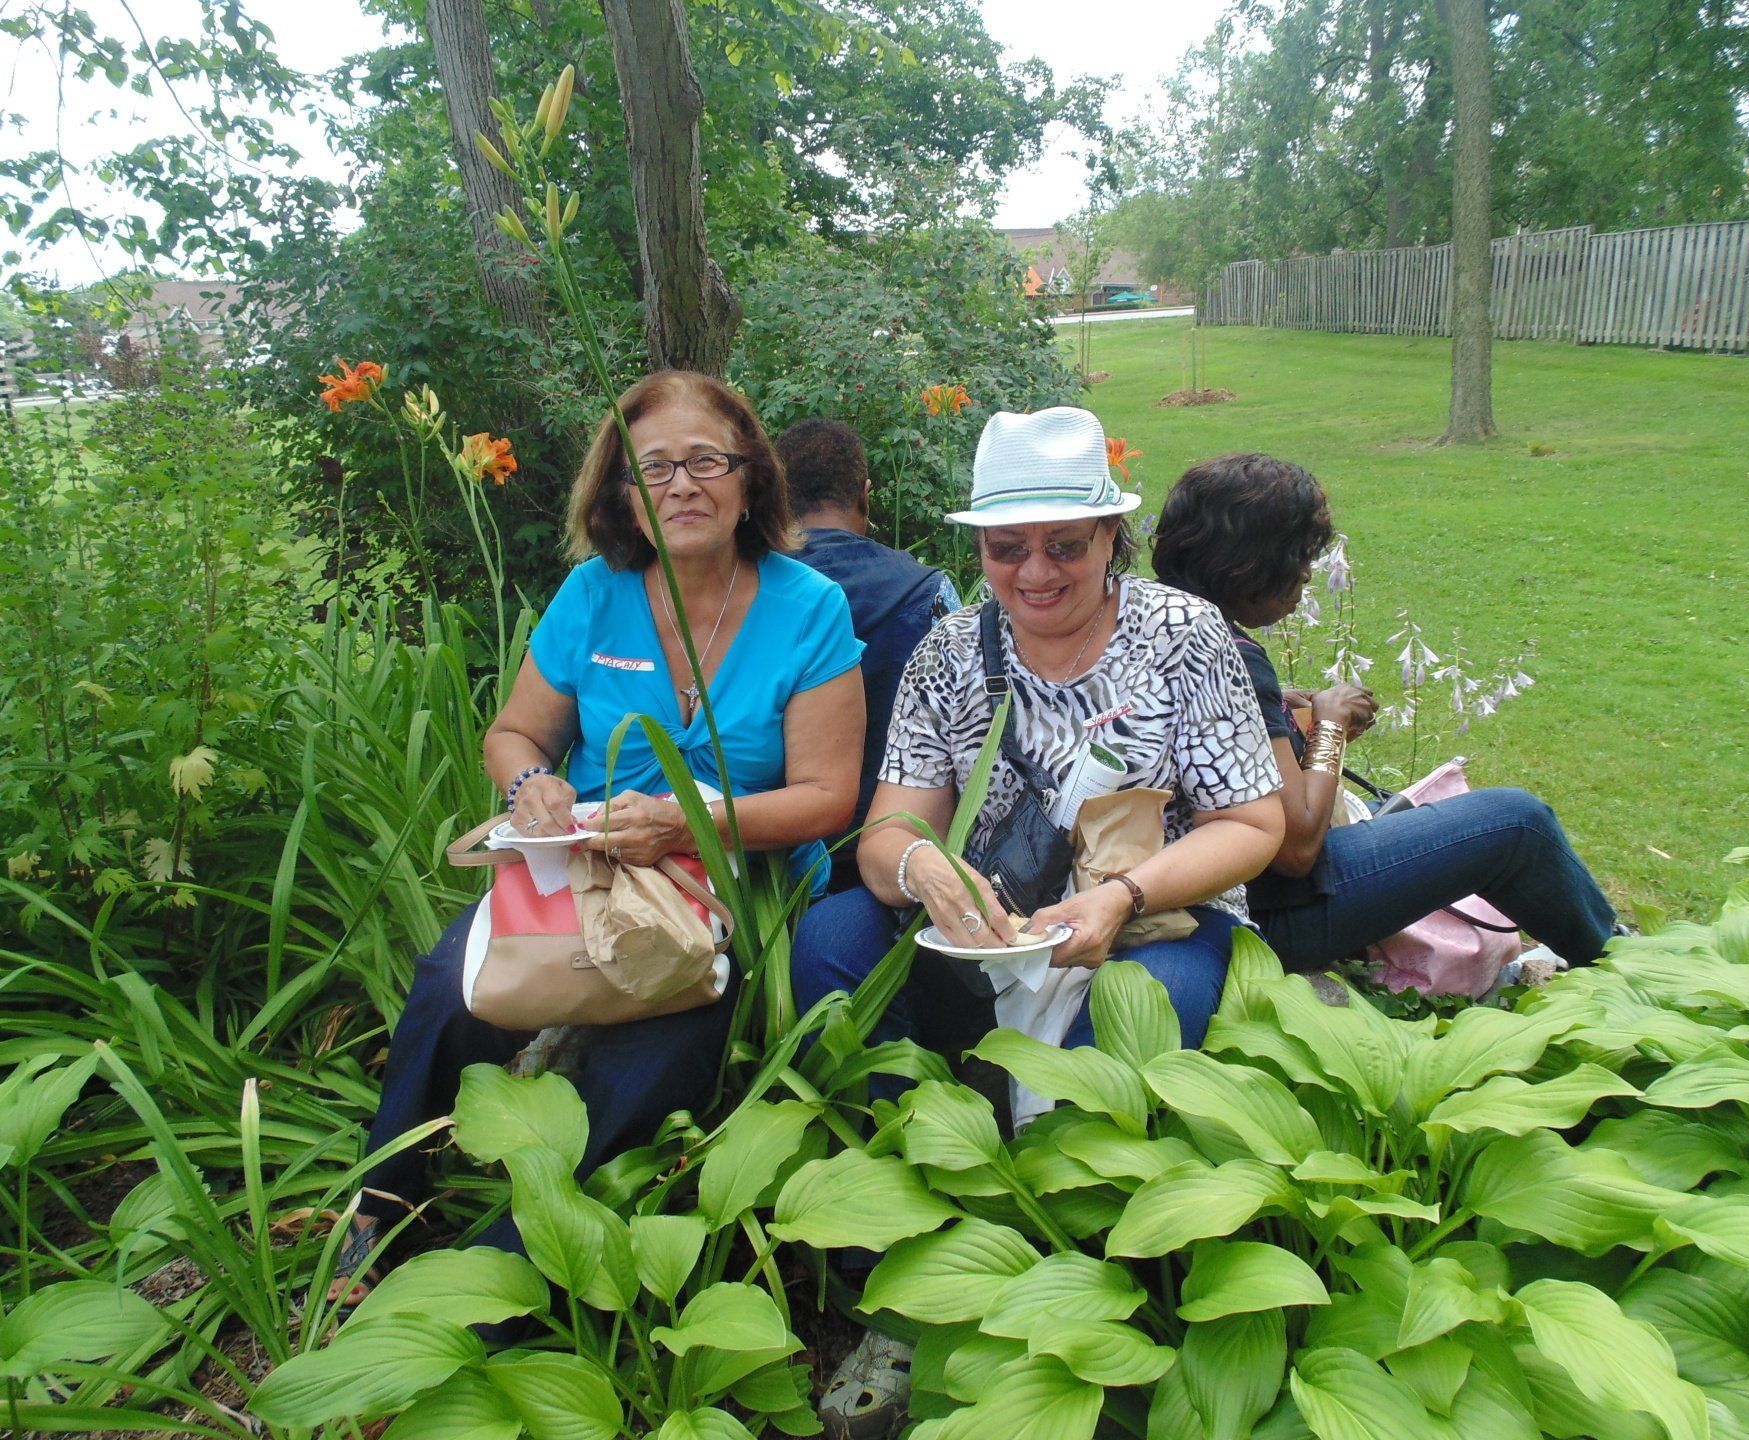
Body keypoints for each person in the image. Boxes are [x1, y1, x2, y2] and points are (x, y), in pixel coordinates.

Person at [790, 407, 1284, 1438]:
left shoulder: (1183, 638)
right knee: (832, 940)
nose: (1037, 572)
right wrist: (926, 869)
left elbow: (1254, 820)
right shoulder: (946, 655)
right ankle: (904, 1256)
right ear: (980, 548)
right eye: (1009, 548)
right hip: (996, 930)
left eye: (1066, 544)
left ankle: (1087, 1300)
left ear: (1111, 536)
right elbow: (887, 831)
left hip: (1159, 919)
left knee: (1123, 1026)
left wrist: (1124, 895)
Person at [331, 371, 864, 1311]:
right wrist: (533, 782)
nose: (681, 485)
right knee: (453, 987)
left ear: (750, 480)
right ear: (621, 490)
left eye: (706, 460)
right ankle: (383, 1200)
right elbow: (514, 733)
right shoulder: (594, 593)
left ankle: (497, 1273)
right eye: (652, 466)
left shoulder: (809, 605)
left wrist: (689, 822)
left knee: (651, 1067)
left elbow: (827, 799)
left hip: (734, 884)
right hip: (585, 866)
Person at [1150, 451, 1616, 972]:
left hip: (1189, 893)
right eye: (1298, 556)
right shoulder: (1230, 655)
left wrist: (1279, 709)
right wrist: (1330, 728)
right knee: (1515, 823)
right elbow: (1296, 848)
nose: (1307, 574)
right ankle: (1623, 966)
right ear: (1249, 561)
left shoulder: (1151, 622)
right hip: (1270, 918)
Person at [780, 417, 961, 891]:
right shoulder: (930, 591)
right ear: (865, 495)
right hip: (903, 847)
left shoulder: (748, 595)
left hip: (775, 852)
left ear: (776, 500)